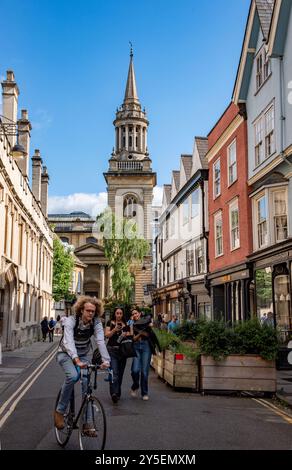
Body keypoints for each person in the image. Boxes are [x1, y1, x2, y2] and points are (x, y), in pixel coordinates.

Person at [54, 296, 110, 435]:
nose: (91, 313)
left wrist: (106, 360)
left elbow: (100, 341)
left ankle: (87, 423)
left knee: (87, 386)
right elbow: (68, 342)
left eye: (93, 311)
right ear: (81, 310)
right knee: (73, 376)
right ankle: (60, 411)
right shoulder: (71, 321)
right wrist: (76, 359)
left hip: (84, 355)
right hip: (66, 354)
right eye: (88, 310)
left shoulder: (96, 323)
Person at [130, 308, 160, 401]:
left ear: (139, 313)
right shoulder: (132, 324)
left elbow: (150, 334)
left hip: (146, 346)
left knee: (144, 371)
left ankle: (144, 392)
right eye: (133, 314)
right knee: (135, 370)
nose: (135, 315)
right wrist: (140, 333)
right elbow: (133, 339)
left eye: (136, 313)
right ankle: (135, 385)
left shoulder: (145, 321)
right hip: (136, 346)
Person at [105, 307, 133, 404]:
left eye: (121, 313)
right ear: (115, 314)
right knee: (114, 372)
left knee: (120, 374)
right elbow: (107, 335)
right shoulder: (110, 323)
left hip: (122, 352)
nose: (119, 315)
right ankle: (114, 393)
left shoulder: (126, 324)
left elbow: (131, 336)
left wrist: (126, 334)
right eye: (117, 313)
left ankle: (117, 393)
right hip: (112, 350)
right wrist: (114, 330)